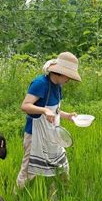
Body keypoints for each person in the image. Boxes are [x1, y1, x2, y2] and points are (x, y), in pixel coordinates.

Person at [16, 52, 82, 188]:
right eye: (68, 76)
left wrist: (67, 116)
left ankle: (62, 193)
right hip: (35, 135)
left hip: (52, 133)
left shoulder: (58, 87)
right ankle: (17, 199)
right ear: (59, 72)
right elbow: (25, 106)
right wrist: (44, 111)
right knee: (28, 171)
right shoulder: (40, 83)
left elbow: (55, 111)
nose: (68, 79)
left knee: (61, 165)